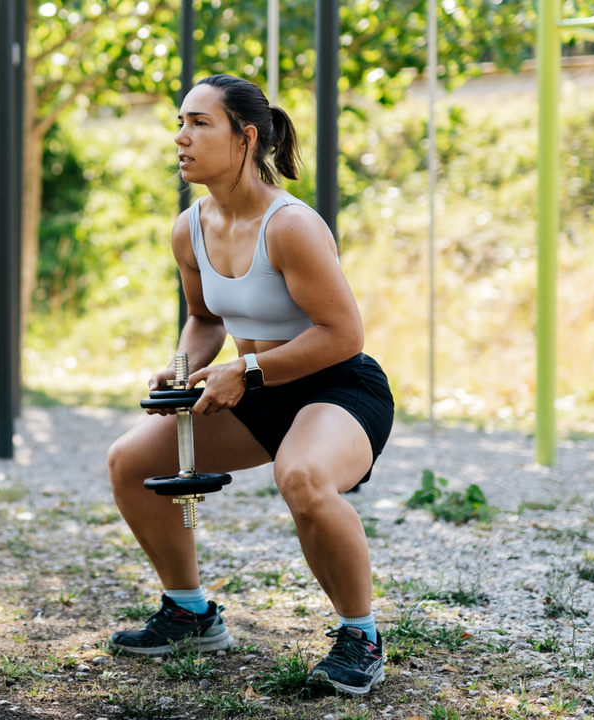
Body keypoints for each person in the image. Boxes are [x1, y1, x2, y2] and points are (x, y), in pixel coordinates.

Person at [105, 74, 395, 696]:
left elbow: (344, 334)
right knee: (131, 461)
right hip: (249, 389)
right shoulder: (190, 228)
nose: (180, 138)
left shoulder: (290, 225)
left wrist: (251, 370)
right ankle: (189, 613)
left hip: (337, 388)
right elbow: (205, 319)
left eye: (198, 123)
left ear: (245, 138)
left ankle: (360, 636)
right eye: (180, 122)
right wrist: (181, 368)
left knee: (303, 477)